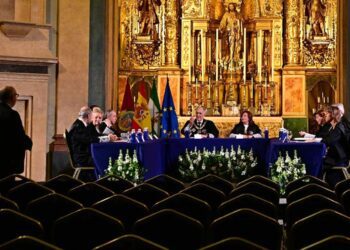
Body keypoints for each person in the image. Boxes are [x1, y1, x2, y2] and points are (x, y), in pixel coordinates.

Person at [0, 86, 32, 178]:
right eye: (16, 95)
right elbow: (19, 135)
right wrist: (28, 142)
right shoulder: (12, 114)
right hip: (7, 160)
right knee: (7, 186)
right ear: (12, 97)